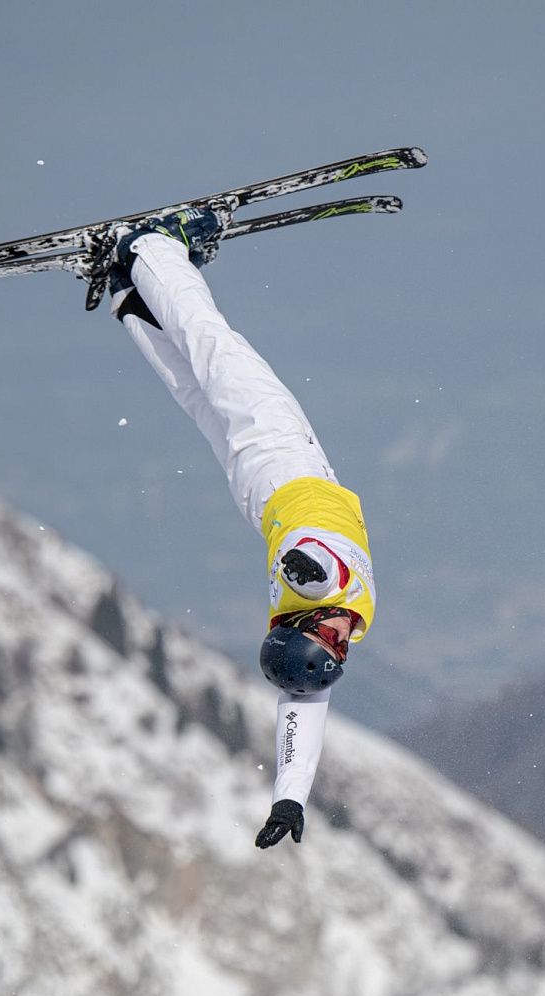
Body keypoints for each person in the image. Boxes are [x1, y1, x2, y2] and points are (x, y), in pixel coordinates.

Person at [106, 206, 376, 850]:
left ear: (307, 624)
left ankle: (152, 251)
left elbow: (306, 569)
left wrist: (301, 568)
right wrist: (289, 797)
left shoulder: (316, 588)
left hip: (283, 464)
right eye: (339, 652)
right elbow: (302, 716)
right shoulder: (313, 651)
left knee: (216, 351)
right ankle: (129, 295)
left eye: (329, 640)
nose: (342, 641)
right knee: (197, 391)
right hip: (258, 496)